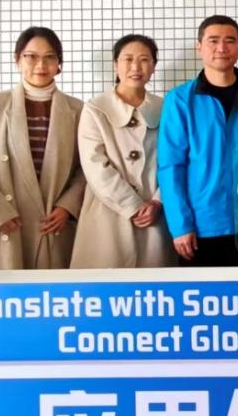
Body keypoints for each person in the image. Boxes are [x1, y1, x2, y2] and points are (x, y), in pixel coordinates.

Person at [0, 26, 86, 270]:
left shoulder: (78, 110)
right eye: (31, 56)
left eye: (50, 57)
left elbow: (87, 168)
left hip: (52, 222)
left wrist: (68, 206)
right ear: (17, 60)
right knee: (7, 288)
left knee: (51, 290)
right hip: (8, 220)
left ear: (59, 64)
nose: (41, 65)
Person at [157, 15, 238, 269]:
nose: (222, 48)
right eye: (213, 41)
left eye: (230, 41)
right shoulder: (180, 100)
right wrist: (180, 225)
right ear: (199, 47)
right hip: (201, 226)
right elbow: (170, 167)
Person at [71, 34, 173, 269]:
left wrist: (157, 201)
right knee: (105, 284)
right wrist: (133, 205)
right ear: (115, 65)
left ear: (154, 65)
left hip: (155, 214)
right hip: (107, 215)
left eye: (144, 60)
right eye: (128, 59)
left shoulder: (165, 108)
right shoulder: (95, 108)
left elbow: (175, 160)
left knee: (153, 285)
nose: (135, 67)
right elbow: (95, 165)